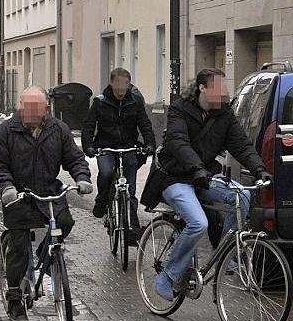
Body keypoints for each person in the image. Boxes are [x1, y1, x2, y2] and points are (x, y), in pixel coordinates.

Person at [151, 68, 272, 301]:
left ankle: (226, 255)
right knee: (198, 223)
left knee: (242, 196)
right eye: (219, 88)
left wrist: (260, 169)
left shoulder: (224, 114)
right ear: (202, 88)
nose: (224, 93)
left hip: (203, 175)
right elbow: (178, 142)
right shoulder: (179, 109)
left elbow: (242, 145)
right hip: (175, 176)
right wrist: (196, 168)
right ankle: (167, 276)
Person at [0, 86, 94, 321]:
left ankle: (46, 252)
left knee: (65, 222)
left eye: (37, 108)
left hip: (48, 192)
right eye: (27, 107)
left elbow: (74, 158)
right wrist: (6, 187)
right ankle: (14, 296)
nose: (31, 112)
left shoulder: (58, 129)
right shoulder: (6, 131)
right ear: (20, 107)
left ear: (46, 108)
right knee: (19, 246)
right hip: (19, 195)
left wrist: (82, 177)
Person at [82, 67, 156, 243]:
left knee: (129, 190)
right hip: (106, 147)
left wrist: (150, 144)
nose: (121, 93)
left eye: (124, 89)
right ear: (111, 85)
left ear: (129, 86)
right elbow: (89, 126)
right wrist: (89, 147)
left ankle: (132, 233)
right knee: (107, 172)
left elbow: (144, 124)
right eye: (118, 90)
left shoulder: (135, 101)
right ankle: (101, 201)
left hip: (128, 147)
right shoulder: (100, 102)